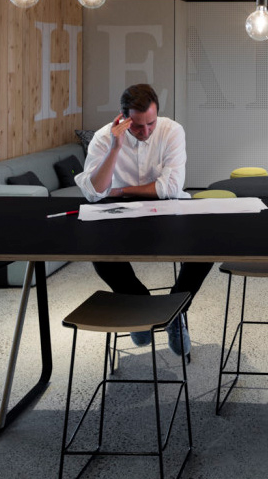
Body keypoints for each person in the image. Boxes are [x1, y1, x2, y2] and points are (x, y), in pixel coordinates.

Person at [76, 83, 211, 356]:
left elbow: (169, 188)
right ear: (123, 118)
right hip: (121, 214)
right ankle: (140, 306)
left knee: (206, 250)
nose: (146, 132)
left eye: (151, 123)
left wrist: (121, 190)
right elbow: (94, 192)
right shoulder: (103, 138)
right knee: (101, 256)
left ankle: (175, 312)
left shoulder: (172, 130)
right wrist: (116, 148)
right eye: (137, 126)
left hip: (169, 209)